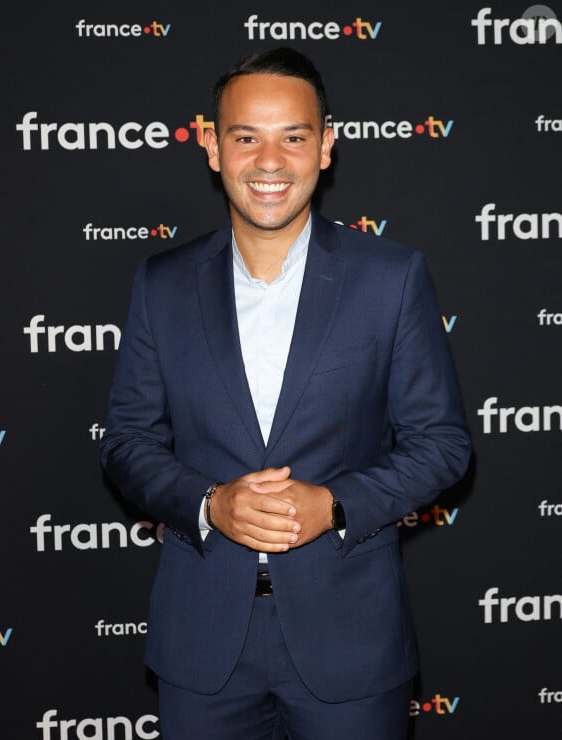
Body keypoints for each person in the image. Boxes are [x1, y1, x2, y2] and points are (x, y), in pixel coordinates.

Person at [101, 47, 471, 740]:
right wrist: (211, 504)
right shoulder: (162, 283)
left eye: (293, 136)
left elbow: (443, 444)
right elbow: (126, 442)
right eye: (246, 136)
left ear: (326, 147)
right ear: (212, 147)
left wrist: (333, 503)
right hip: (203, 644)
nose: (269, 161)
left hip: (350, 644)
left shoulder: (390, 278)